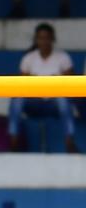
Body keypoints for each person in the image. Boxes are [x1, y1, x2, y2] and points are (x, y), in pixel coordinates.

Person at [9, 22, 77, 153]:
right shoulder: (28, 58)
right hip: (34, 102)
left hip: (54, 103)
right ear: (36, 39)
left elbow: (71, 85)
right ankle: (13, 142)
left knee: (63, 100)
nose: (44, 41)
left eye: (47, 38)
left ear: (53, 39)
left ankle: (69, 143)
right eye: (40, 38)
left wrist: (55, 83)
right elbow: (22, 86)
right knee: (17, 99)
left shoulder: (63, 57)